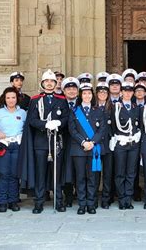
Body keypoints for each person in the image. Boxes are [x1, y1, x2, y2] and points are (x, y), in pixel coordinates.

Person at [18, 69, 69, 214]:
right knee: (40, 173)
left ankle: (58, 201)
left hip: (56, 141)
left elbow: (66, 118)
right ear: (42, 83)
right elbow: (32, 120)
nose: (49, 84)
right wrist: (44, 124)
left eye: (52, 81)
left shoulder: (62, 99)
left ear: (55, 83)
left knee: (56, 173)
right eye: (46, 81)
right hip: (40, 142)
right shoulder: (35, 100)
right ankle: (39, 201)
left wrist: (58, 123)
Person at [0, 87, 26, 212]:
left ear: (17, 99)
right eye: (8, 98)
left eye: (13, 97)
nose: (11, 100)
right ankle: (2, 202)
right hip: (3, 146)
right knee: (3, 174)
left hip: (17, 146)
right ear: (4, 99)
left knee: (14, 175)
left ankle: (13, 201)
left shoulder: (23, 113)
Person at [68, 83, 105, 215]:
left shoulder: (99, 111)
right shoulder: (74, 111)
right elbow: (72, 130)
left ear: (92, 95)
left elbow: (102, 130)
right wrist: (83, 142)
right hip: (79, 149)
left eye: (89, 93)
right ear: (80, 95)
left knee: (92, 178)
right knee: (80, 178)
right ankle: (82, 204)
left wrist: (92, 142)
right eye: (84, 93)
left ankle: (91, 203)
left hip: (94, 149)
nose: (87, 95)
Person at [111, 81, 141, 210]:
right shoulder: (115, 107)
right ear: (121, 92)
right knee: (119, 173)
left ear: (132, 93)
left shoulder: (136, 108)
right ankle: (122, 199)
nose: (128, 93)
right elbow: (112, 126)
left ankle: (128, 199)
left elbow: (139, 125)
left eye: (130, 91)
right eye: (125, 91)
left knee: (131, 173)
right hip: (120, 144)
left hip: (133, 144)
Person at [95, 81, 114, 208]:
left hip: (108, 144)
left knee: (108, 173)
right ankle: (94, 198)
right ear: (96, 94)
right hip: (96, 144)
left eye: (105, 92)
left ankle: (106, 199)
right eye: (100, 92)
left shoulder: (113, 107)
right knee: (95, 173)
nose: (102, 94)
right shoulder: (92, 107)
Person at [62, 77, 80, 208]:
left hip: (80, 141)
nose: (72, 91)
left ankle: (80, 195)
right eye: (69, 89)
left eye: (74, 88)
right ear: (64, 90)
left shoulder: (82, 104)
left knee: (80, 169)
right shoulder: (60, 104)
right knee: (67, 169)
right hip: (65, 141)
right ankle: (68, 196)